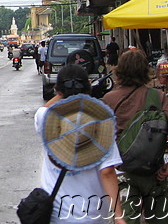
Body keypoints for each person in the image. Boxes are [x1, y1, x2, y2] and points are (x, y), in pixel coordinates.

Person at [35, 64, 125, 223]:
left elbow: (44, 108)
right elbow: (107, 173)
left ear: (58, 90)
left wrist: (63, 94)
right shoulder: (102, 125)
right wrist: (119, 216)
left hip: (56, 215)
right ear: (88, 86)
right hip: (92, 215)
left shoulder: (45, 118)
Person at [102, 49, 168, 224]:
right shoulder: (157, 96)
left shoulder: (109, 99)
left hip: (123, 172)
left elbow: (101, 139)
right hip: (153, 171)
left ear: (120, 70)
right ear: (145, 70)